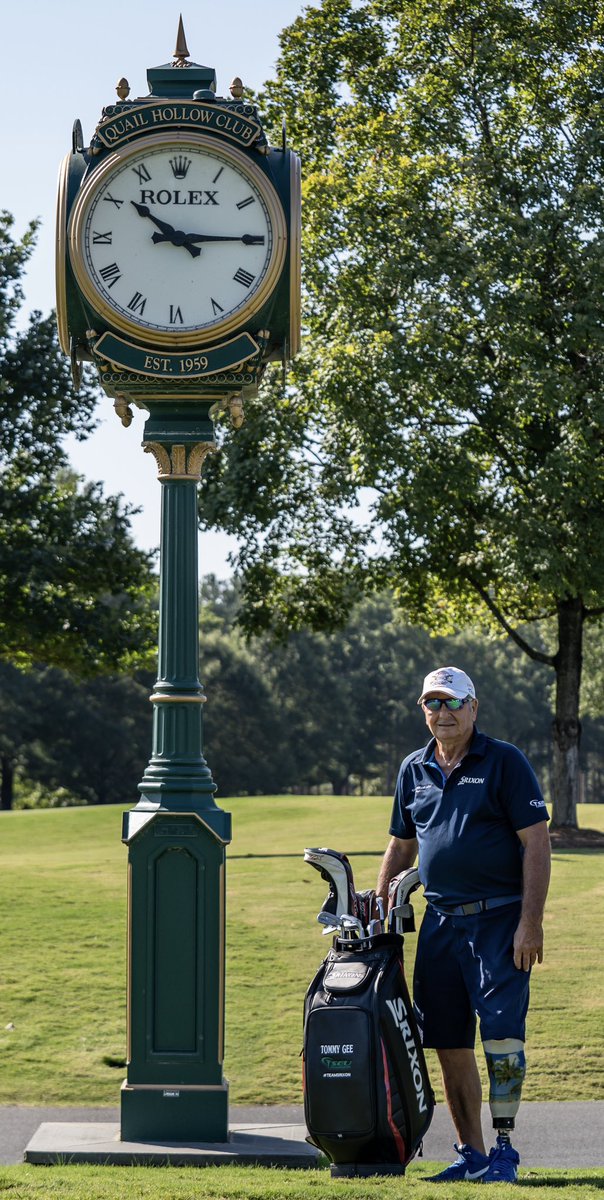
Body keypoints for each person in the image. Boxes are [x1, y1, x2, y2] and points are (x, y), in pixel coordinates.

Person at [376, 666, 551, 1184]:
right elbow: (401, 846)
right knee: (448, 1040)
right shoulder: (414, 768)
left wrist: (530, 923)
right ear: (423, 710)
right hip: (440, 925)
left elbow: (536, 843)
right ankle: (472, 1154)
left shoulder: (504, 762)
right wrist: (381, 904)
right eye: (432, 703)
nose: (443, 712)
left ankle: (503, 1151)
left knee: (501, 1038)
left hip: (499, 922)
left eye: (452, 703)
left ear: (474, 707)